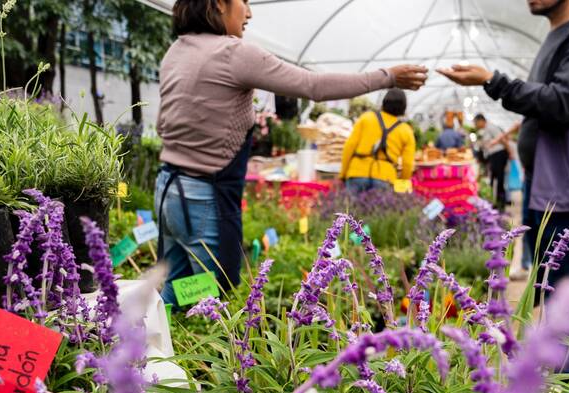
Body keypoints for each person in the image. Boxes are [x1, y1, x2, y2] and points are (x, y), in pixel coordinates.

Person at [155, 0, 427, 305]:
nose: (249, 12)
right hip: (203, 198)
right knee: (216, 291)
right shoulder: (233, 53)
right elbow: (313, 85)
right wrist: (387, 76)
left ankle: (155, 343)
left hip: (168, 189)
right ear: (219, 3)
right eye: (243, 1)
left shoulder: (176, 52)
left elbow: (164, 124)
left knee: (175, 287)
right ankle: (190, 347)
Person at [439, 0, 569, 368]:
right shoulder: (564, 31)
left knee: (568, 295)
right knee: (557, 289)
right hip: (551, 184)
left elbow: (561, 101)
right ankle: (558, 380)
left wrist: (491, 80)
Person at [340, 89, 417, 193]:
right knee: (379, 209)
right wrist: (401, 187)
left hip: (357, 172)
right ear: (403, 108)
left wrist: (343, 174)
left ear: (384, 102)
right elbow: (407, 164)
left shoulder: (367, 118)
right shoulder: (406, 130)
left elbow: (349, 147)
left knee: (349, 209)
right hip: (385, 177)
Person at [475, 114, 510, 211]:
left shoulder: (491, 127)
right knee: (493, 180)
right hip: (494, 156)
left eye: (476, 122)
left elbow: (502, 139)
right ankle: (495, 202)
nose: (476, 125)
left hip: (499, 154)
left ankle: (500, 204)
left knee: (500, 180)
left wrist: (510, 152)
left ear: (481, 121)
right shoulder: (485, 130)